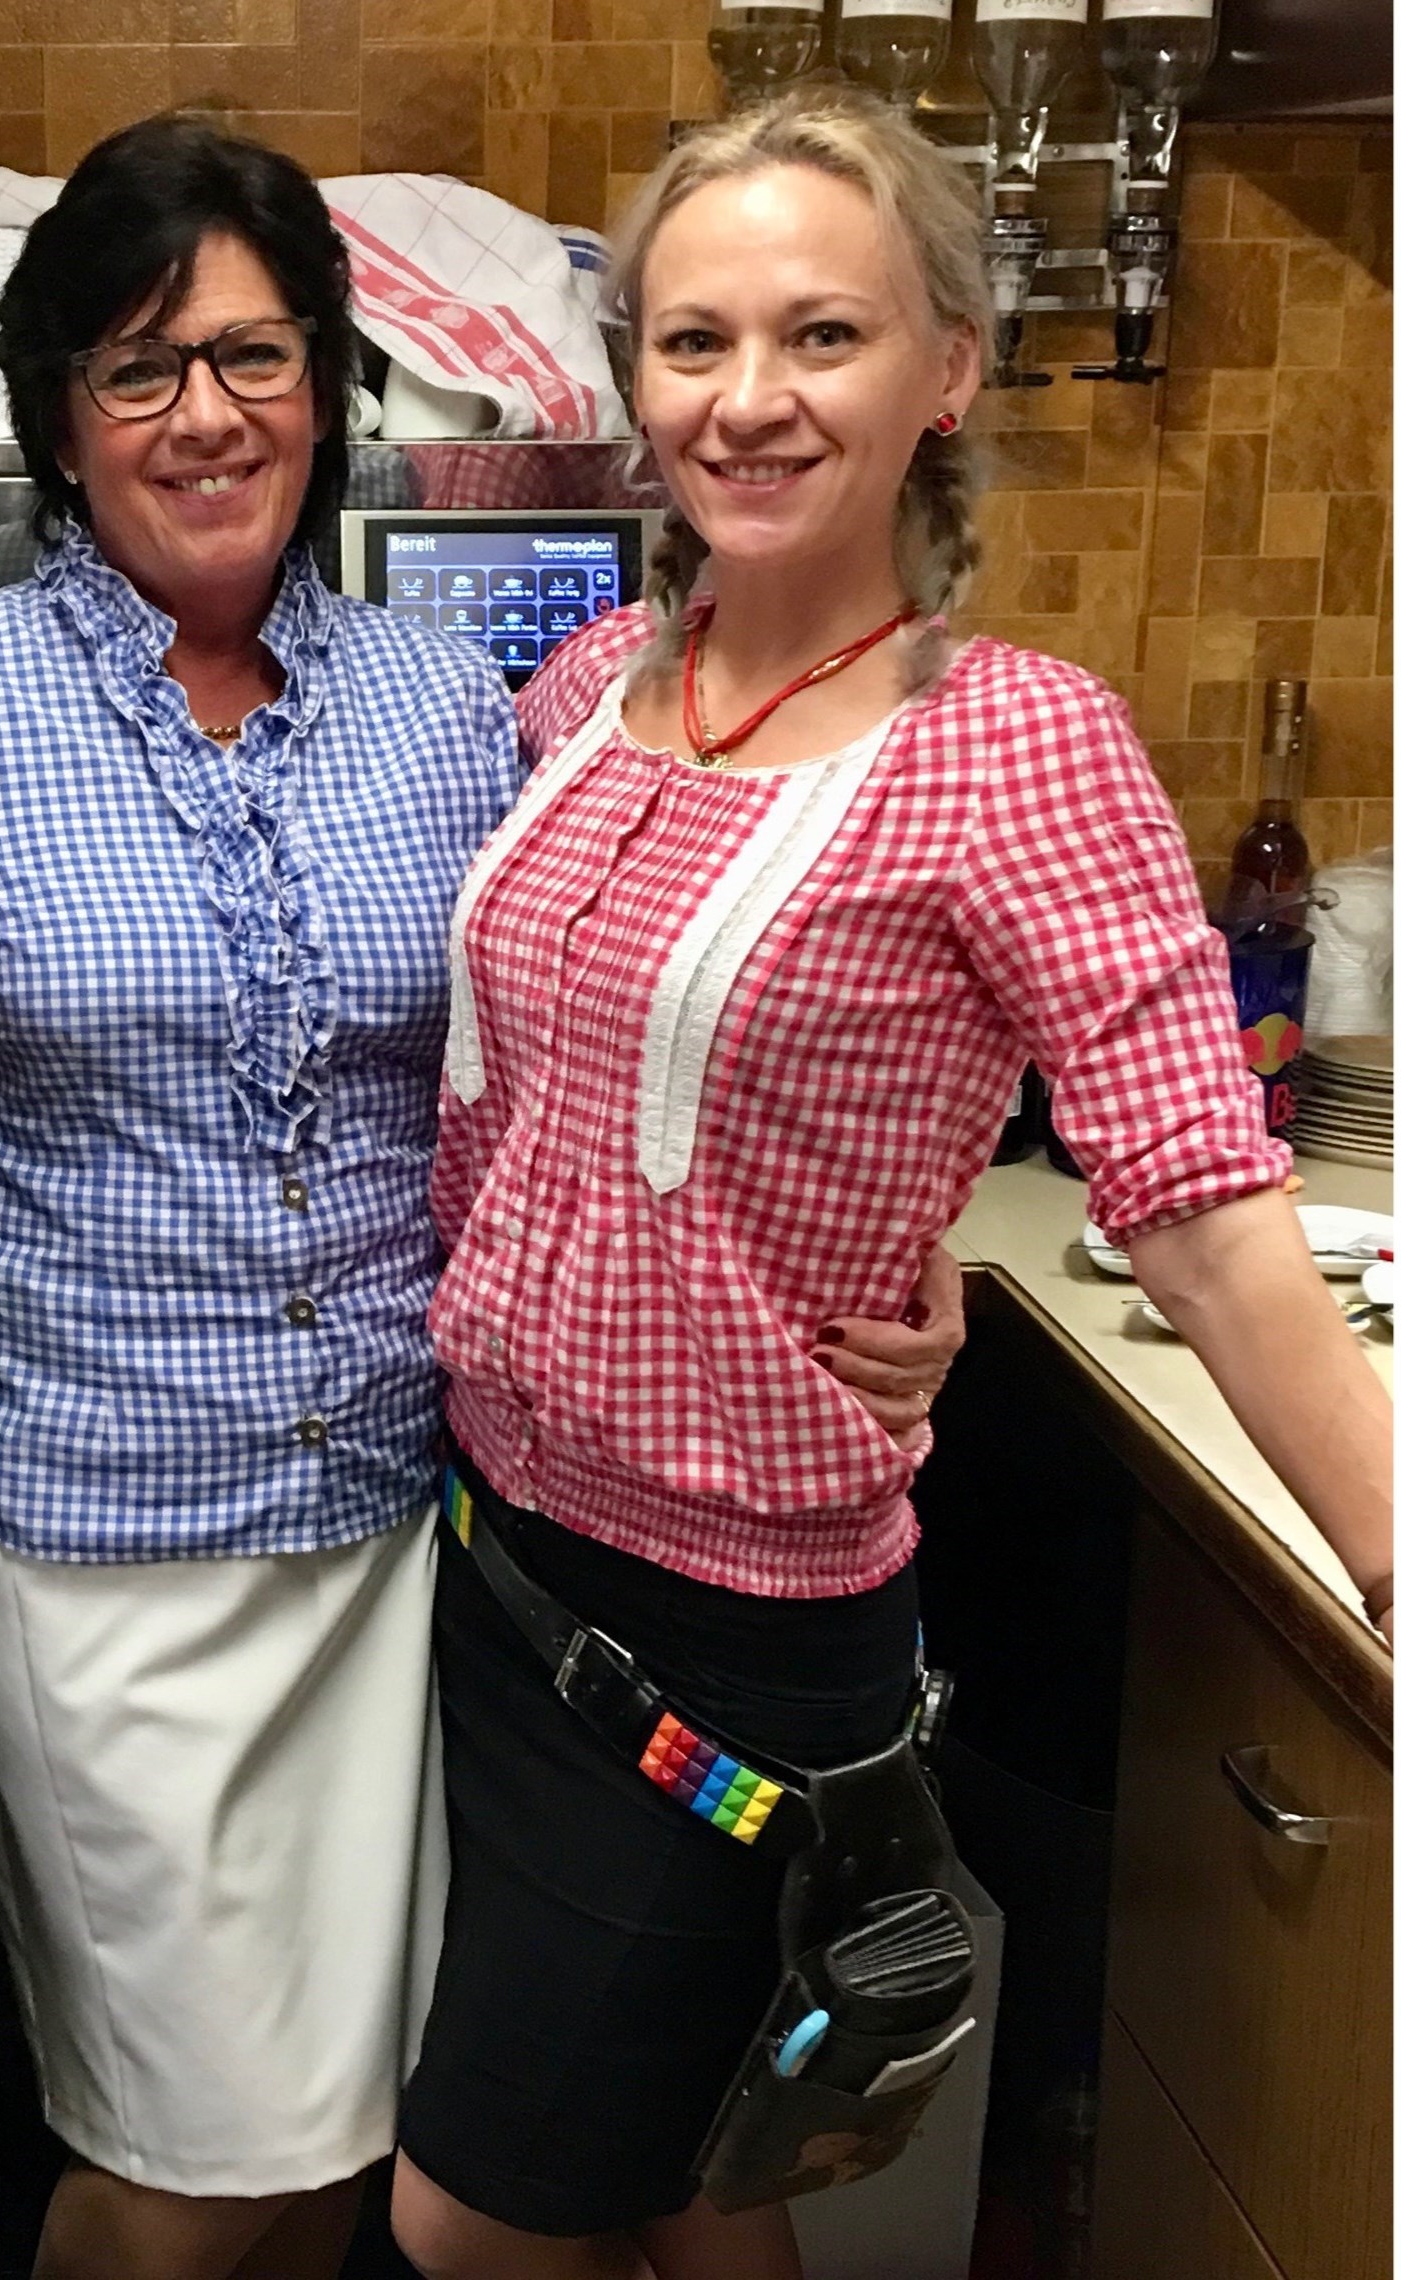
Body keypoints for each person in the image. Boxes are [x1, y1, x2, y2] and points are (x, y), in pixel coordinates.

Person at [0, 114, 964, 2280]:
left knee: (376, 2139)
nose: (203, 413)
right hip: (97, 1541)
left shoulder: (456, 708)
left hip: (421, 1538)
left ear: (325, 382)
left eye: (253, 353)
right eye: (136, 366)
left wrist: (876, 1251)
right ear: (59, 415)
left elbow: (622, 1025)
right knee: (203, 2157)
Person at [387, 88, 1395, 2280]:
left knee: (472, 2225)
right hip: (506, 1555)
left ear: (947, 367)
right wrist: (859, 1230)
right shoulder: (594, 686)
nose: (744, 399)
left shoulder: (1012, 742)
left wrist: (1394, 1556)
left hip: (734, 1623)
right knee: (691, 2168)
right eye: (693, 340)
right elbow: (568, 1101)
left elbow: (1204, 1208)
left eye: (818, 335)